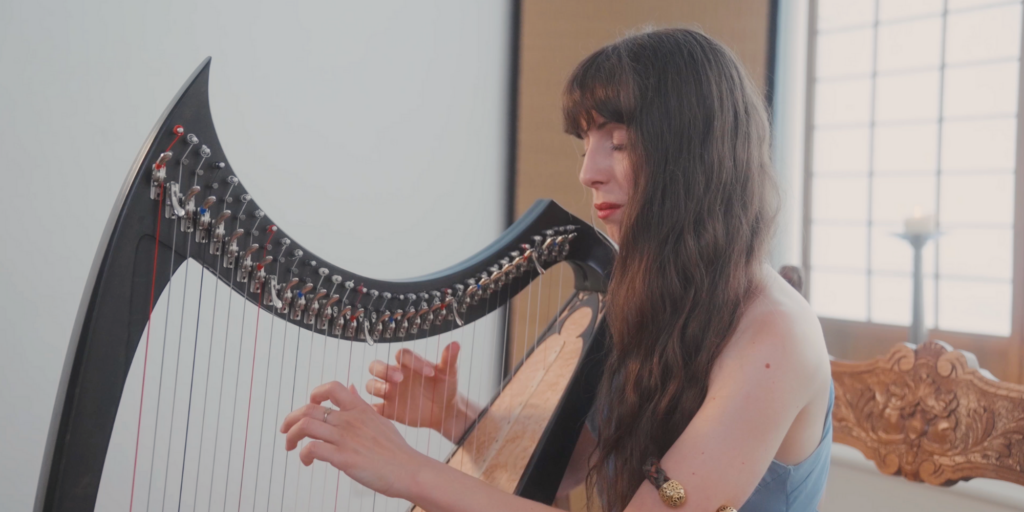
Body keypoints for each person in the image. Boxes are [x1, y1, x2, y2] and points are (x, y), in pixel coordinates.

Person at [280, 28, 832, 512]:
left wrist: (408, 470)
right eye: (585, 144)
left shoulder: (775, 335)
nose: (588, 172)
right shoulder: (650, 291)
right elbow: (573, 471)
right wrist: (454, 416)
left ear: (694, 157)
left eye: (619, 143)